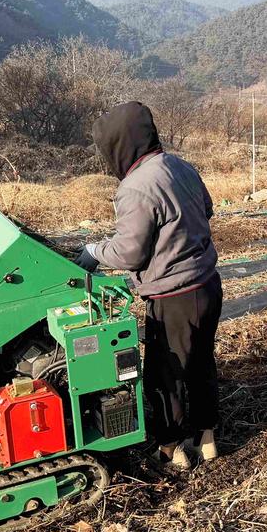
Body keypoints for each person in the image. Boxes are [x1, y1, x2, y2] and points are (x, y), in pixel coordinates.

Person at [74, 101, 221, 470]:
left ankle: (171, 449)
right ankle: (207, 438)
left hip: (174, 296)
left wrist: (94, 251)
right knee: (201, 363)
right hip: (208, 284)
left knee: (166, 375)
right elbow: (206, 209)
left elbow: (130, 253)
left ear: (119, 145)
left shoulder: (135, 187)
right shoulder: (179, 165)